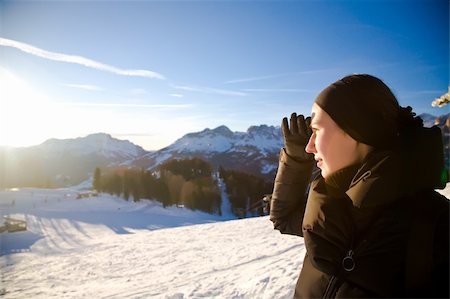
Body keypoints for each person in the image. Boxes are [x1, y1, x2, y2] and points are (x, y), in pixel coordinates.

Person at [269, 74, 449, 298]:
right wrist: (295, 161)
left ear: (358, 130)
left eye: (316, 130)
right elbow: (284, 218)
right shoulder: (331, 201)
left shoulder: (438, 226)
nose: (309, 147)